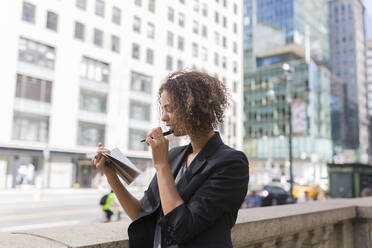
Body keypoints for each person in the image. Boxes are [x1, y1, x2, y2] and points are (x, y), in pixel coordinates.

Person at [92, 70, 249, 247]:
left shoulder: (232, 163)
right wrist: (111, 175)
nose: (163, 117)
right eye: (163, 109)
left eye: (170, 109)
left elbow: (182, 228)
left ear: (197, 108)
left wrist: (160, 165)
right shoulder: (174, 156)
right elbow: (141, 213)